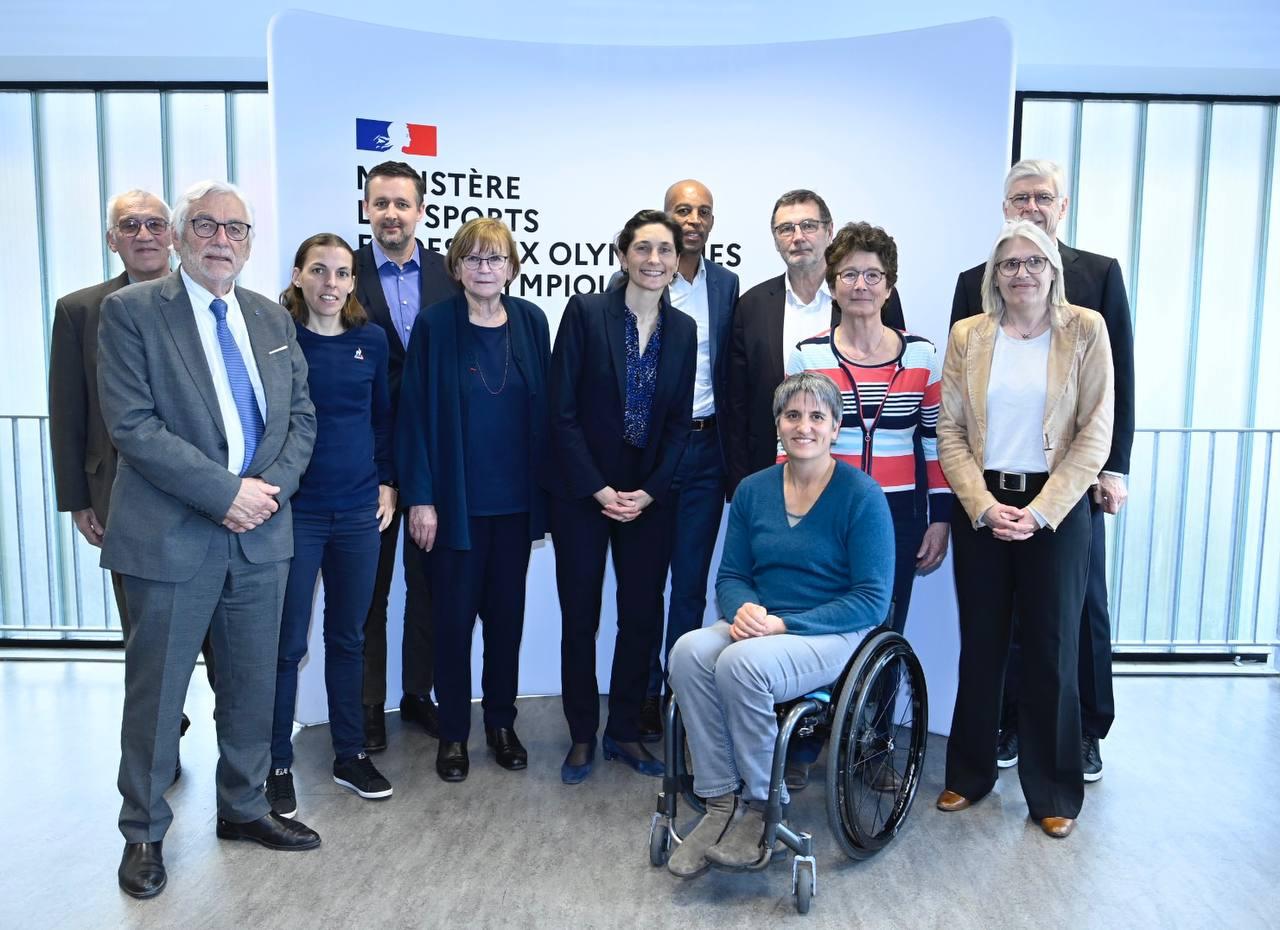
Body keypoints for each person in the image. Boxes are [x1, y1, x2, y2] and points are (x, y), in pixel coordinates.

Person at [98, 180, 319, 900]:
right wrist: (226, 494)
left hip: (262, 534)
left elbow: (301, 420)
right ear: (181, 235)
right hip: (170, 537)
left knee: (254, 685)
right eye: (206, 225)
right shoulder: (131, 312)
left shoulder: (269, 318)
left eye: (236, 228)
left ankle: (245, 806)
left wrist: (266, 492)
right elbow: (133, 426)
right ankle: (142, 833)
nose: (221, 239)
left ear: (251, 242)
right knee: (158, 692)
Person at [665, 372, 893, 879]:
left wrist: (784, 623)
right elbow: (731, 575)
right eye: (793, 416)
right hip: (762, 625)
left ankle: (764, 805)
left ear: (836, 428)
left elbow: (873, 600)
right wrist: (743, 608)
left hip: (829, 633)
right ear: (778, 426)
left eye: (817, 417)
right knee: (685, 651)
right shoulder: (753, 490)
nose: (804, 426)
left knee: (741, 666)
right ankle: (720, 799)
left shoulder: (862, 496)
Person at [950, 159, 1134, 780]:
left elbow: (1116, 388)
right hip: (990, 489)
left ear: (1062, 205)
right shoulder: (975, 290)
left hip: (1070, 485)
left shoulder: (1096, 281)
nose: (1029, 209)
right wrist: (979, 501)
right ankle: (1003, 726)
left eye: (1041, 197)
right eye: (1018, 198)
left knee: (1076, 617)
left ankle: (1084, 732)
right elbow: (961, 414)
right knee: (993, 628)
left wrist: (1114, 471)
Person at [936, 219, 1114, 839]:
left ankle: (1054, 790)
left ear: (1052, 270)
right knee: (982, 644)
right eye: (1008, 264)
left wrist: (1041, 511)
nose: (1021, 274)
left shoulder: (1086, 329)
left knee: (1052, 649)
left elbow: (1095, 432)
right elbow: (951, 431)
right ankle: (970, 773)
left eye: (1033, 262)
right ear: (994, 275)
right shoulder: (968, 336)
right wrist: (984, 506)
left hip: (1057, 510)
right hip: (984, 503)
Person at [48, 189, 215, 780]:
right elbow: (68, 412)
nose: (144, 234)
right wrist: (77, 500)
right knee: (150, 643)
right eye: (129, 225)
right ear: (111, 238)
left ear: (173, 235)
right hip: (125, 502)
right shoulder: (80, 310)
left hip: (218, 501)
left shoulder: (211, 302)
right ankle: (160, 748)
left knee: (226, 647)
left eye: (154, 223)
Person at [785, 222, 951, 790]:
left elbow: (934, 440)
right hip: (826, 514)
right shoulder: (807, 353)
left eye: (872, 275)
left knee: (882, 630)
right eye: (849, 273)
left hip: (899, 518)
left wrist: (941, 519)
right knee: (815, 627)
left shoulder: (924, 355)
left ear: (889, 285)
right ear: (832, 284)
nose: (861, 284)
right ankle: (804, 742)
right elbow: (791, 441)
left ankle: (873, 747)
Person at [396, 218, 551, 783]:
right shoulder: (436, 325)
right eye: (474, 259)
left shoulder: (533, 323)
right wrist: (421, 499)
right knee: (454, 624)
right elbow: (412, 415)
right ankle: (455, 734)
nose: (485, 269)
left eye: (496, 259)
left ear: (511, 267)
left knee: (506, 622)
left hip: (515, 507)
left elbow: (549, 413)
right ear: (456, 268)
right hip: (454, 508)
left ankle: (501, 724)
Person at [545, 209, 696, 784]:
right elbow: (560, 413)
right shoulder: (585, 313)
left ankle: (626, 731)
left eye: (664, 250)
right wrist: (600, 488)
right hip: (584, 492)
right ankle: (583, 733)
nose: (654, 260)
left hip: (649, 496)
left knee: (641, 615)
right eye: (643, 249)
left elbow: (681, 424)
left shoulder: (684, 331)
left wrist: (649, 492)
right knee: (579, 616)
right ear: (623, 254)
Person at [266, 234, 395, 819]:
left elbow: (384, 421)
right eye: (318, 271)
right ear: (298, 276)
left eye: (342, 273)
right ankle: (275, 762)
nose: (330, 283)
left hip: (359, 513)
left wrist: (389, 483)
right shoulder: (278, 341)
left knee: (348, 638)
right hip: (297, 514)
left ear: (352, 283)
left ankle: (349, 754)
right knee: (287, 643)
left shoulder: (371, 341)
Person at [354, 160, 460, 752]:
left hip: (436, 454)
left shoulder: (451, 271)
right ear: (367, 208)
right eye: (380, 203)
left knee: (430, 583)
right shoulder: (345, 271)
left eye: (402, 203)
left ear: (420, 210)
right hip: (366, 455)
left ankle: (417, 693)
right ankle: (369, 703)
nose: (391, 213)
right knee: (370, 589)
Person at [637, 180, 740, 740]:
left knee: (691, 583)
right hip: (652, 454)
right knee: (645, 581)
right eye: (683, 210)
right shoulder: (638, 280)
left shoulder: (727, 285)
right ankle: (642, 695)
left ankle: (676, 696)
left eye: (703, 211)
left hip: (706, 450)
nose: (693, 220)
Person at [725, 190, 906, 497]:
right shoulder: (751, 305)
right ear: (775, 239)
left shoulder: (865, 295)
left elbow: (895, 373)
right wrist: (742, 484)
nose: (798, 237)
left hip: (855, 471)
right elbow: (737, 404)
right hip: (773, 474)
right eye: (786, 229)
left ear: (829, 230)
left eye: (808, 225)